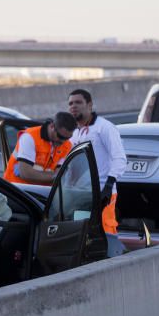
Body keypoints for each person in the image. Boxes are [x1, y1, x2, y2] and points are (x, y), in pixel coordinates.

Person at [67, 89, 126, 257]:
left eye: (78, 103)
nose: (73, 106)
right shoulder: (74, 132)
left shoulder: (104, 128)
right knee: (83, 236)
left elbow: (120, 159)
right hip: (80, 194)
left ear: (90, 105)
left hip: (103, 194)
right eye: (70, 103)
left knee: (106, 235)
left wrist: (109, 185)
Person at [3, 112, 76, 185]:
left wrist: (55, 176)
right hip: (15, 189)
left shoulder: (67, 145)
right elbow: (26, 173)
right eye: (60, 136)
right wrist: (54, 176)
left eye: (67, 138)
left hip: (40, 191)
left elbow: (60, 176)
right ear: (52, 126)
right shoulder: (30, 137)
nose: (63, 141)